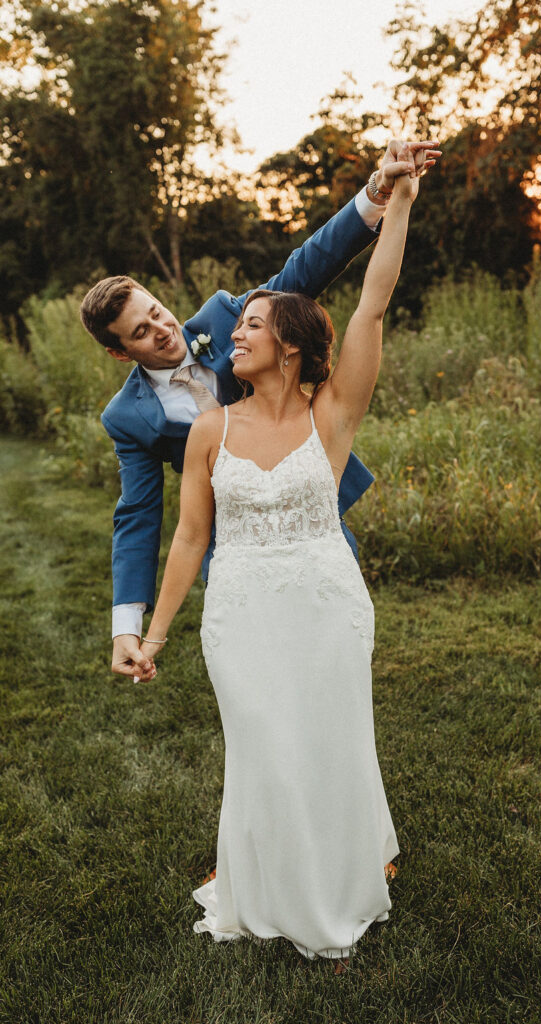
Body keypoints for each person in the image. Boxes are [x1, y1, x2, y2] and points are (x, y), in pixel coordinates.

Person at [136, 145, 434, 962]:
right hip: (239, 613)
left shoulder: (331, 412)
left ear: (292, 345)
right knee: (264, 745)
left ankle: (337, 881)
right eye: (239, 326)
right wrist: (154, 636)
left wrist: (398, 202)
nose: (232, 334)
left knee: (329, 740)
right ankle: (264, 885)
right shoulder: (209, 429)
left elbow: (371, 307)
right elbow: (190, 537)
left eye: (253, 326)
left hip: (324, 603)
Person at [79, 140, 440, 683]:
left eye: (157, 312)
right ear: (118, 351)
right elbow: (141, 519)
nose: (163, 330)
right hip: (238, 556)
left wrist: (380, 192)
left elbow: (311, 269)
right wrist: (131, 627)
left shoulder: (230, 317)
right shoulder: (129, 418)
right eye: (141, 333)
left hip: (308, 516)